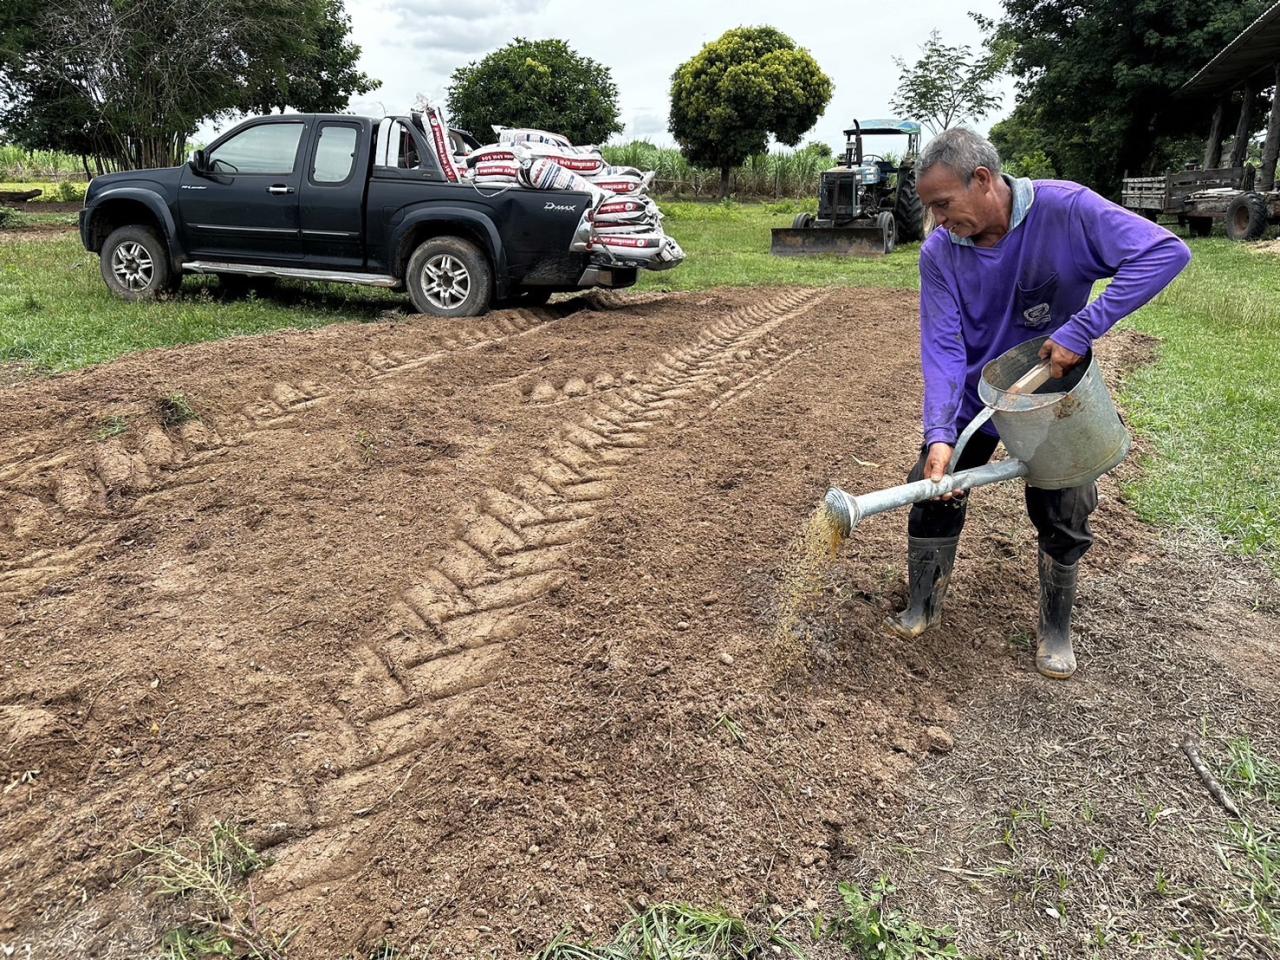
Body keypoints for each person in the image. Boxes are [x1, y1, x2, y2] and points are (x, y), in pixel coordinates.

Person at [886, 128, 1191, 679]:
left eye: (942, 204)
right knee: (935, 485)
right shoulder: (940, 253)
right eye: (929, 207)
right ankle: (922, 604)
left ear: (983, 180)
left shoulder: (1066, 210)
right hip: (976, 393)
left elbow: (1165, 252)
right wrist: (939, 433)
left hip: (1049, 390)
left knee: (1065, 502)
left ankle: (1055, 626)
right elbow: (944, 349)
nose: (935, 220)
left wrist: (1083, 327)